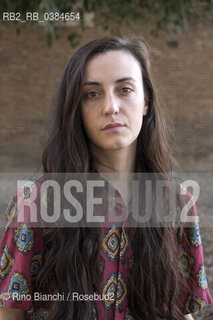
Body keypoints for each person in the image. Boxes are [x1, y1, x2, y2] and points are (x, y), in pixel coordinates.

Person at [0, 37, 212, 320]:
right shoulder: (37, 202)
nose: (111, 107)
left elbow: (181, 309)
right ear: (76, 109)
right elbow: (10, 313)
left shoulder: (177, 202)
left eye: (125, 89)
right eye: (92, 94)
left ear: (146, 101)